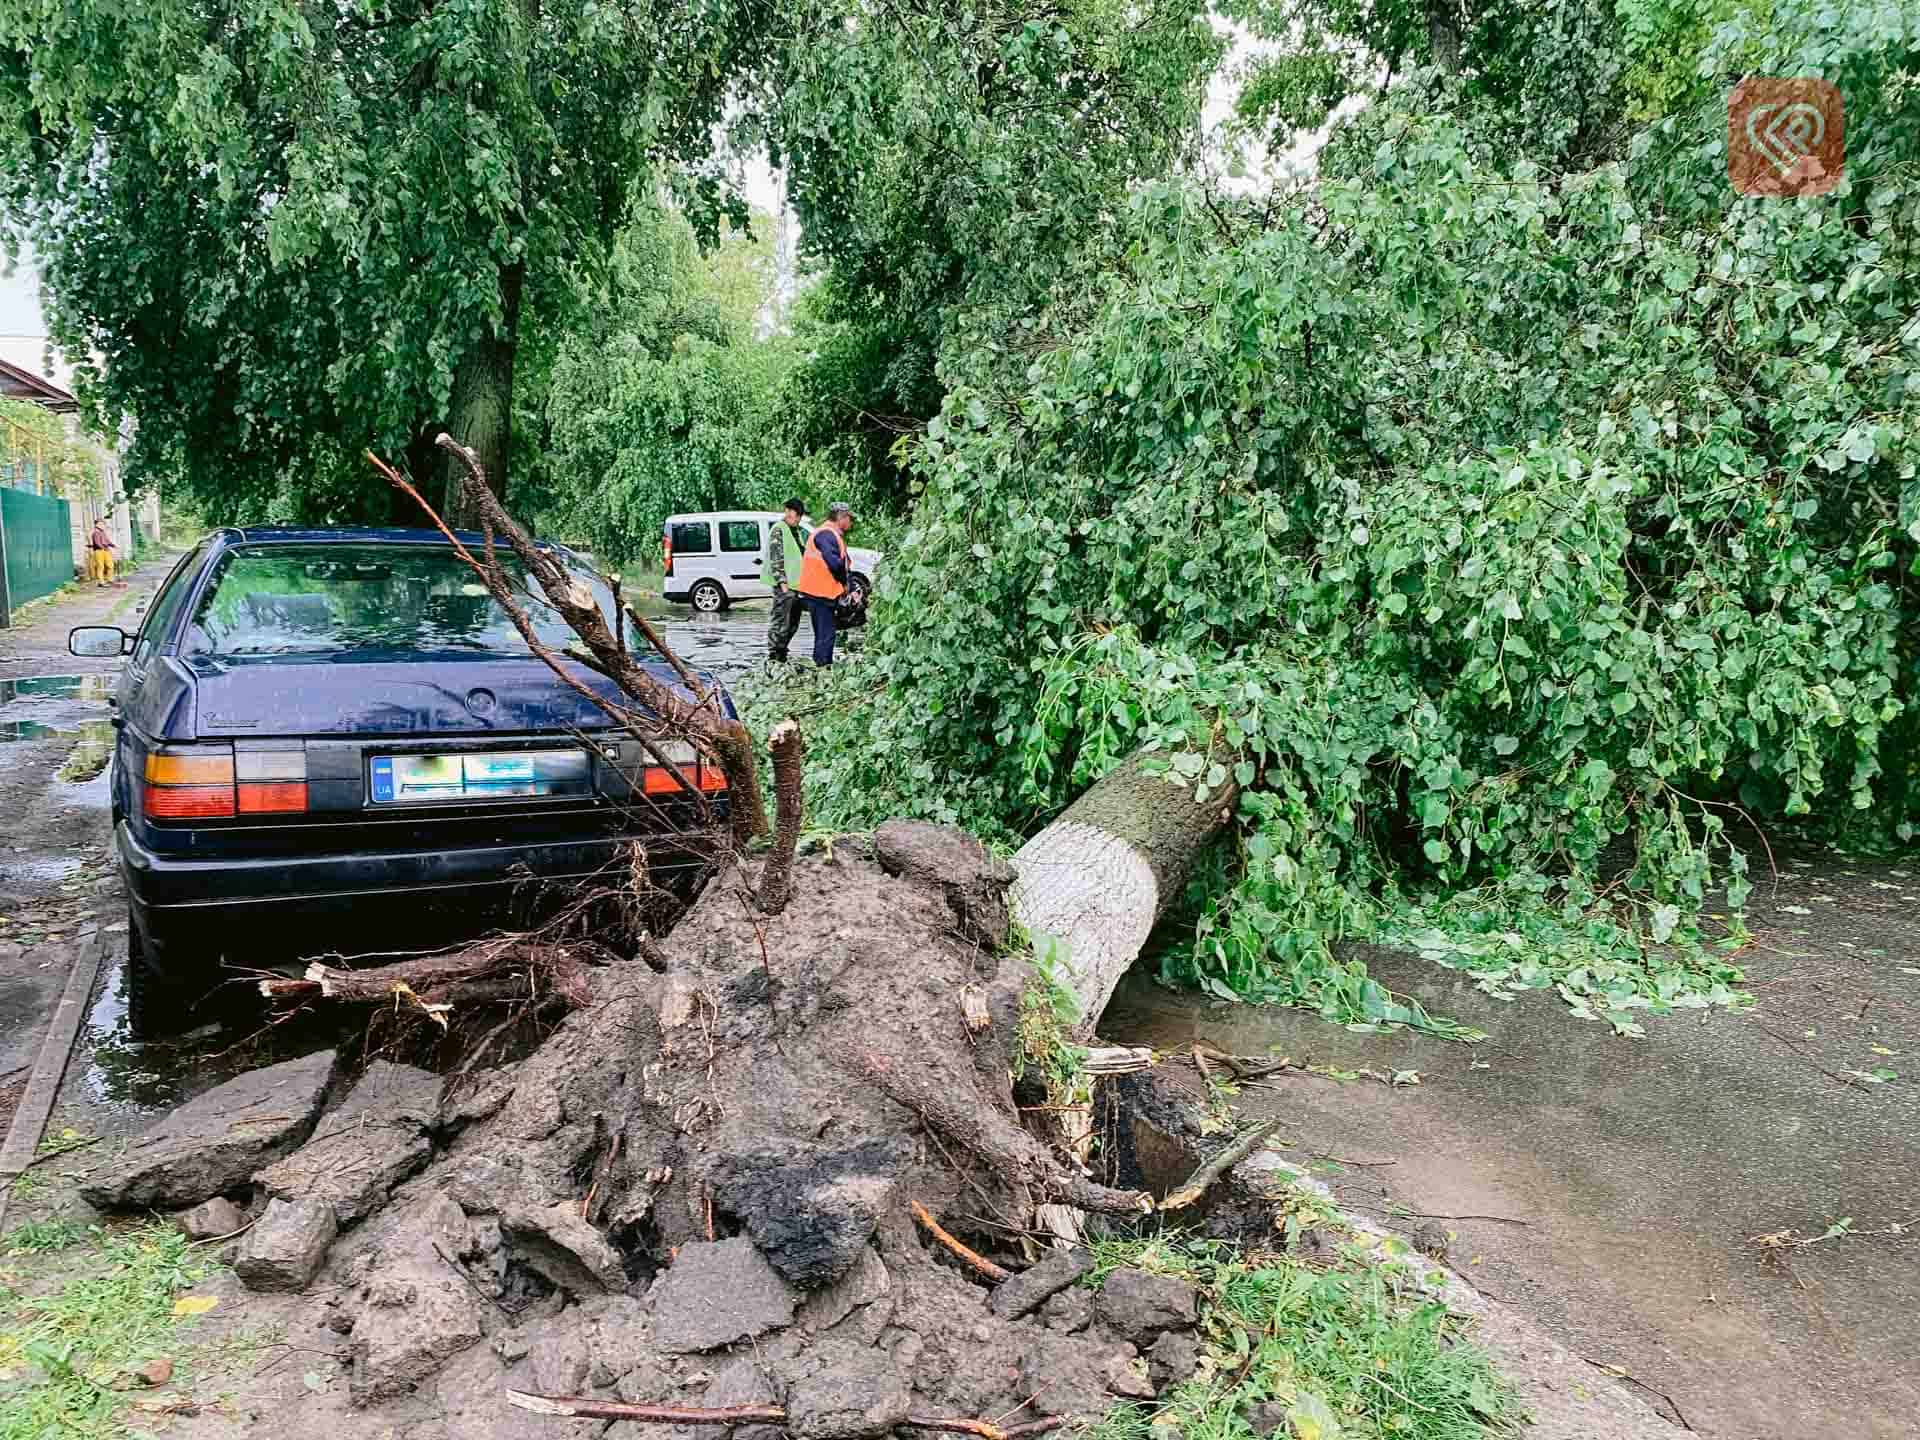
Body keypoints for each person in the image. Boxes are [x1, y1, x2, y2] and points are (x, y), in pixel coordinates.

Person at [795, 501, 854, 667]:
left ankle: (821, 666)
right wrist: (845, 586)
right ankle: (822, 668)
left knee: (825, 633)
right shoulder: (826, 534)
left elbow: (844, 565)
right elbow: (835, 564)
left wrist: (851, 587)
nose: (851, 522)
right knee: (825, 634)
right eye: (849, 518)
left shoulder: (831, 534)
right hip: (818, 593)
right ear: (841, 517)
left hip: (820, 592)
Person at [763, 497, 807, 665]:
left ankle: (782, 651)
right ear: (789, 512)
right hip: (784, 587)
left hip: (795, 587)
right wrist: (783, 584)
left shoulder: (794, 531)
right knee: (780, 620)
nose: (797, 519)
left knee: (793, 622)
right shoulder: (779, 529)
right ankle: (775, 655)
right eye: (796, 515)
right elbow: (776, 558)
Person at [87, 520, 116, 587]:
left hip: (105, 550)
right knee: (100, 566)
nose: (103, 525)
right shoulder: (95, 533)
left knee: (110, 565)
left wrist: (113, 546)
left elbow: (107, 541)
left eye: (103, 524)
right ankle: (101, 582)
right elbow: (97, 543)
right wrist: (104, 547)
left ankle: (110, 579)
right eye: (101, 524)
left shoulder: (103, 533)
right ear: (96, 525)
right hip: (99, 551)